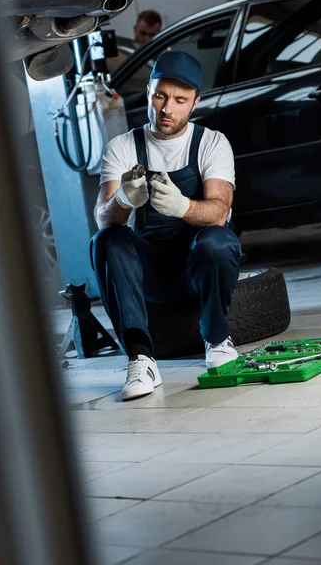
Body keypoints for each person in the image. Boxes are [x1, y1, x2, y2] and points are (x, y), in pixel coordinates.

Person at [91, 50, 242, 400]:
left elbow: (220, 211)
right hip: (152, 274)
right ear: (148, 92)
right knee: (106, 239)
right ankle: (141, 359)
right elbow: (102, 216)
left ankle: (218, 339)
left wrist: (182, 206)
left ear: (194, 103)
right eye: (160, 95)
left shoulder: (212, 143)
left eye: (179, 100)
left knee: (217, 240)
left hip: (198, 267)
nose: (166, 109)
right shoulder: (123, 146)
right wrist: (124, 200)